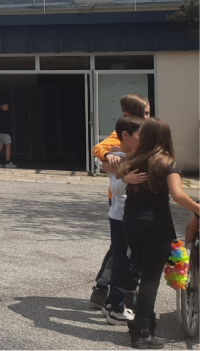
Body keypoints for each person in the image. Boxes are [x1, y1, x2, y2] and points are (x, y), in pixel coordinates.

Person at [117, 118, 200, 348]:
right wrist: (198, 208)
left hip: (131, 222)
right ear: (166, 137)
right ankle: (141, 332)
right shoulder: (166, 162)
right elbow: (178, 194)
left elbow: (116, 176)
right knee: (150, 279)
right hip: (156, 224)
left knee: (141, 270)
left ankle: (144, 321)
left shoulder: (134, 159)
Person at [88, 93, 150, 310]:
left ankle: (116, 291)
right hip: (120, 200)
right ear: (128, 116)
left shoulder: (146, 133)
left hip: (138, 199)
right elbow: (99, 149)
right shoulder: (121, 134)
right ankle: (103, 288)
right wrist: (108, 157)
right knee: (121, 248)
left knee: (127, 248)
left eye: (149, 113)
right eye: (145, 113)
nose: (148, 117)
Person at [97, 115, 146, 325]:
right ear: (125, 135)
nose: (143, 139)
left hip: (130, 215)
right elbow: (115, 189)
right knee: (123, 260)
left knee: (126, 259)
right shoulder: (116, 158)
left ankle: (112, 303)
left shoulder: (139, 155)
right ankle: (116, 306)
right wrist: (126, 179)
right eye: (140, 135)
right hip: (122, 215)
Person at [0, 102, 15, 168]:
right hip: (5, 132)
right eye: (5, 106)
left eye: (7, 106)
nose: (6, 107)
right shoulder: (4, 114)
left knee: (0, 146)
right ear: (1, 106)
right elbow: (6, 123)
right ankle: (7, 162)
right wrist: (12, 127)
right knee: (8, 146)